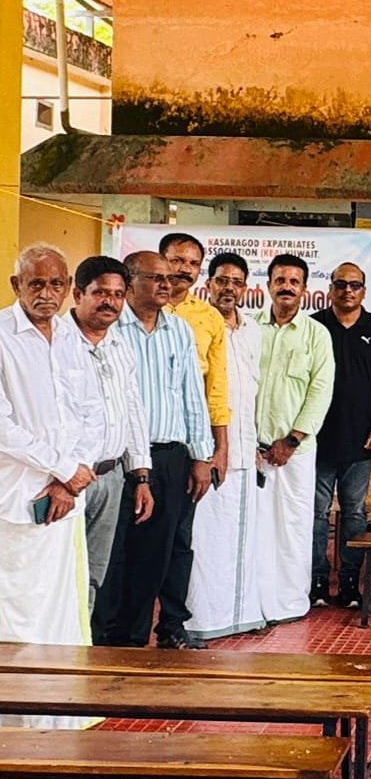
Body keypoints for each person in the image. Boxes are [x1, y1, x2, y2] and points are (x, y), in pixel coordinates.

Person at [102, 251, 213, 649]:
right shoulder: (112, 328)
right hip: (121, 458)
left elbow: (192, 395)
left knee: (158, 554)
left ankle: (136, 640)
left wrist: (201, 456)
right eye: (156, 278)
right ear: (130, 282)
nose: (167, 284)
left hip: (169, 457)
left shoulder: (179, 329)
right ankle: (106, 639)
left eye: (169, 278)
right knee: (115, 552)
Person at [0, 246, 95, 660]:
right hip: (16, 496)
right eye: (36, 283)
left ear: (69, 287)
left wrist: (70, 479)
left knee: (61, 608)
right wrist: (63, 468)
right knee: (17, 608)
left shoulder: (71, 337)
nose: (46, 293)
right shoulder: (2, 335)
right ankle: (15, 700)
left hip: (66, 498)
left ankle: (59, 695)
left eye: (56, 284)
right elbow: (3, 426)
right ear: (16, 285)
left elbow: (92, 412)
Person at [60, 255, 152, 622]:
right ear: (78, 294)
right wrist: (61, 475)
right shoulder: (56, 342)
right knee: (60, 567)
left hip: (111, 477)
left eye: (117, 294)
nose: (109, 302)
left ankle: (82, 640)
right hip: (67, 479)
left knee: (95, 571)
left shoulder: (119, 346)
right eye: (100, 293)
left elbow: (132, 409)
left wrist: (141, 475)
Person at [184, 251, 263, 641]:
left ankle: (242, 614)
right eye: (222, 281)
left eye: (236, 282)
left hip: (246, 449)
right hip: (211, 448)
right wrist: (210, 449)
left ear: (246, 288)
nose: (229, 288)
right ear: (209, 284)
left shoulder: (253, 330)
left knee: (242, 536)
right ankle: (202, 620)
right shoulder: (194, 324)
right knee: (206, 538)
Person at [253, 253, 334, 624]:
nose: (286, 287)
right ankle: (253, 602)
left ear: (304, 289)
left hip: (295, 452)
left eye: (294, 281)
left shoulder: (317, 335)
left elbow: (320, 392)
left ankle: (288, 603)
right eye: (280, 280)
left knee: (293, 528)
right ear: (268, 285)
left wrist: (291, 441)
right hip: (252, 451)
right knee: (254, 528)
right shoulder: (249, 328)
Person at [311, 261, 371, 608]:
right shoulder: (314, 326)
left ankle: (348, 584)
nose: (348, 290)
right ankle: (316, 582)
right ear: (330, 288)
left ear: (364, 290)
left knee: (355, 513)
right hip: (316, 439)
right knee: (315, 513)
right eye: (341, 284)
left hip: (361, 439)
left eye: (355, 285)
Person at [160, 232, 230, 487]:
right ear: (161, 260)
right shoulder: (139, 308)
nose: (185, 269)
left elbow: (217, 386)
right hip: (145, 433)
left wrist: (220, 448)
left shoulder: (209, 317)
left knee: (182, 508)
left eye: (193, 264)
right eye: (177, 260)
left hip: (191, 436)